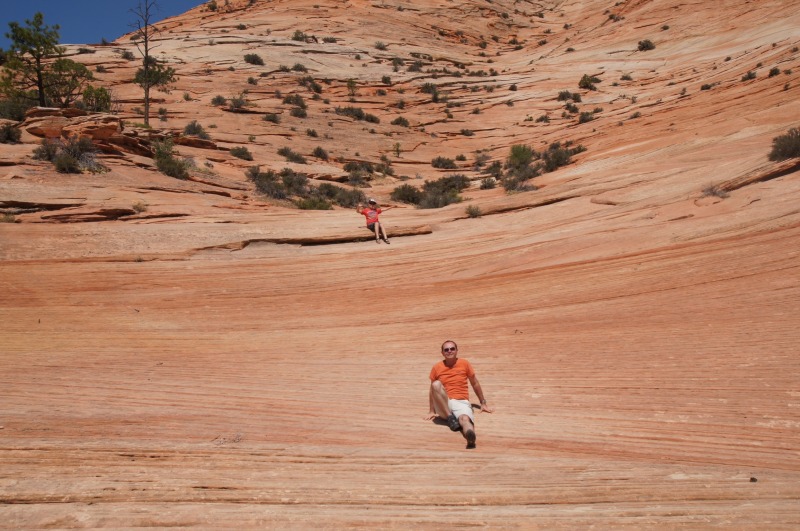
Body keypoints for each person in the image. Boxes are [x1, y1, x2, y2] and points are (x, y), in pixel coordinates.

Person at [424, 340, 493, 449]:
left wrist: (483, 403)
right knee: (436, 384)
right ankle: (450, 417)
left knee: (464, 419)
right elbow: (432, 390)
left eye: (452, 349)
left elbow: (475, 383)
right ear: (442, 353)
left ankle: (470, 436)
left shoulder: (465, 364)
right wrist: (432, 411)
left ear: (456, 350)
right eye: (446, 349)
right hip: (444, 403)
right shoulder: (437, 367)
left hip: (461, 401)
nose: (449, 351)